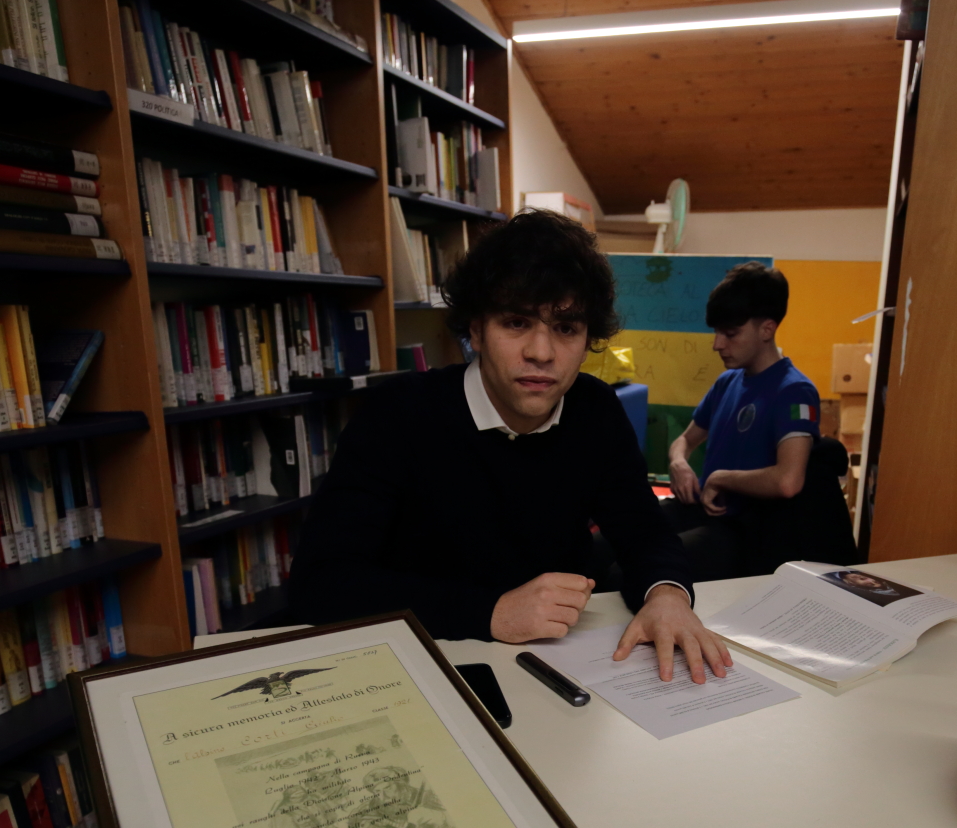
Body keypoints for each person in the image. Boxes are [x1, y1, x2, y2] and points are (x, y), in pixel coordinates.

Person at [286, 211, 731, 684]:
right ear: (476, 331)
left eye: (566, 328)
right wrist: (490, 612)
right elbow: (321, 582)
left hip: (553, 667)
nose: (541, 352)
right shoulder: (396, 415)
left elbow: (644, 533)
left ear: (587, 341)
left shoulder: (595, 411)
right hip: (417, 666)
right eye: (517, 322)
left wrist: (667, 595)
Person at [664, 262, 824, 580]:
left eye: (730, 333)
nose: (717, 344)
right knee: (606, 542)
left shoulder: (795, 392)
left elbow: (788, 480)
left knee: (633, 569)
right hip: (700, 510)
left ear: (767, 329)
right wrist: (678, 462)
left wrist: (721, 478)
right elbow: (685, 440)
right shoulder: (727, 382)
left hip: (741, 531)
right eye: (716, 332)